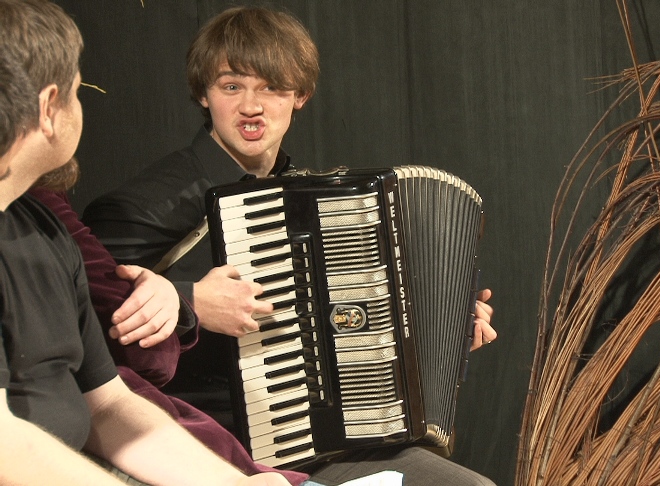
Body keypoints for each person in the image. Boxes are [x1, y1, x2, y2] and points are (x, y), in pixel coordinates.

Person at [82, 6, 496, 485]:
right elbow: (84, 325)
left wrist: (442, 323)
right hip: (199, 446)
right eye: (231, 86)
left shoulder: (307, 198)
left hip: (312, 440)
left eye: (272, 88)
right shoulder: (145, 203)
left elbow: (345, 319)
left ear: (300, 96)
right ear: (202, 93)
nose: (251, 106)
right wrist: (189, 302)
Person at [0, 1, 297, 484]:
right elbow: (5, 446)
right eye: (78, 92)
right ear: (49, 108)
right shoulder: (126, 208)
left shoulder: (47, 227)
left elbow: (109, 403)